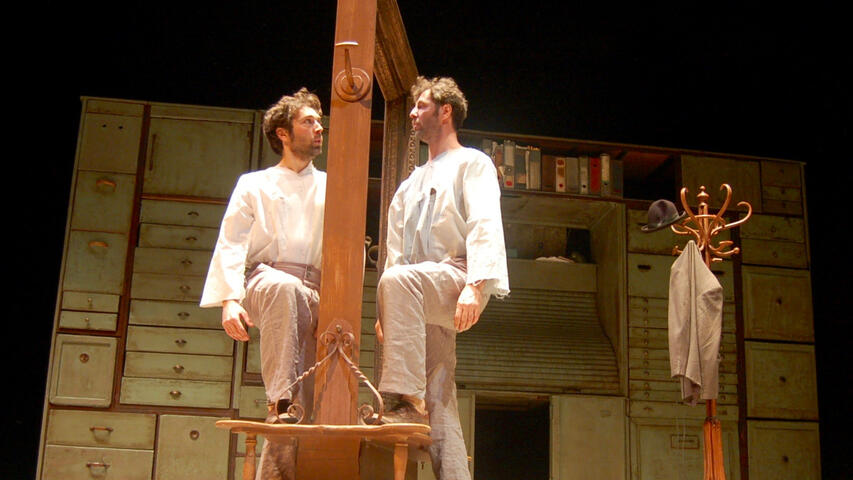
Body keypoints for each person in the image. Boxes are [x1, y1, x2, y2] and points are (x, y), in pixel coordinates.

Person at [375, 76, 509, 480]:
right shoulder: (409, 184)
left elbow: (485, 223)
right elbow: (395, 251)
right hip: (417, 291)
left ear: (445, 111)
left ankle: (405, 399)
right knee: (441, 397)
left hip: (459, 274)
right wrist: (388, 311)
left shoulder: (472, 162)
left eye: (422, 106)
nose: (413, 114)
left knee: (399, 281)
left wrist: (476, 286)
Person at [200, 87, 326, 480]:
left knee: (309, 402)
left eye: (320, 121)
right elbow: (232, 241)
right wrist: (229, 299)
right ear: (283, 133)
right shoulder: (254, 183)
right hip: (265, 279)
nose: (319, 128)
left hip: (316, 288)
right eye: (308, 121)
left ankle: (277, 465)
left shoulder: (333, 184)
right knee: (282, 288)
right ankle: (279, 403)